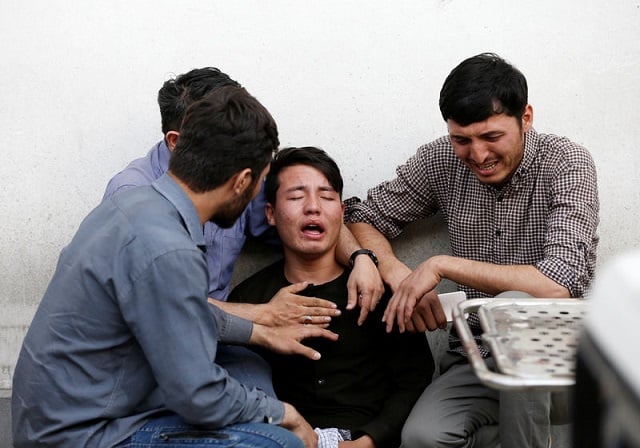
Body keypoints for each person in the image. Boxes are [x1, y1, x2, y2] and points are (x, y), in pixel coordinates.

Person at [12, 86, 339, 448]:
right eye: (261, 183)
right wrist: (284, 414)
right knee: (278, 442)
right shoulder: (170, 249)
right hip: (83, 435)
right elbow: (199, 397)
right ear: (242, 181)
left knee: (249, 366)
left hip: (71, 410)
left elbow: (179, 310)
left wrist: (256, 332)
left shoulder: (135, 204)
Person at [345, 53, 599, 448]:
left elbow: (557, 284)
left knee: (517, 305)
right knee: (422, 438)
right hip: (475, 354)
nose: (478, 155)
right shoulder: (439, 160)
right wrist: (397, 272)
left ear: (526, 118)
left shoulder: (567, 162)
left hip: (562, 365)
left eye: (492, 137)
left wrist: (442, 265)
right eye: (462, 140)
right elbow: (361, 216)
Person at [103, 67, 383, 326]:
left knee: (264, 377)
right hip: (156, 338)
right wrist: (264, 316)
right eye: (224, 137)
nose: (241, 148)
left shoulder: (238, 173)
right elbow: (162, 310)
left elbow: (311, 218)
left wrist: (361, 257)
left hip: (222, 336)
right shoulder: (132, 198)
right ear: (177, 142)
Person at [229, 147, 434, 448]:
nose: (313, 207)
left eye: (326, 197)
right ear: (270, 214)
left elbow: (414, 379)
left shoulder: (379, 291)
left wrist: (369, 441)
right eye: (297, 197)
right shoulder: (251, 299)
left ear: (341, 210)